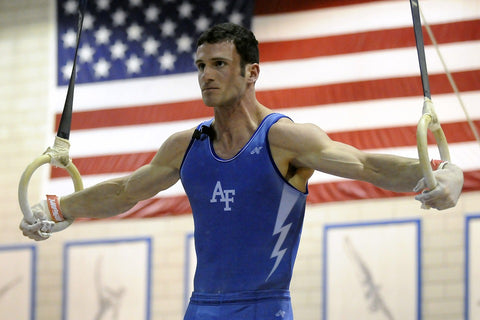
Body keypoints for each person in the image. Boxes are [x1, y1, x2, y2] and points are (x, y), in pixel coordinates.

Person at [20, 23, 463, 319]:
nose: (205, 76)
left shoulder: (285, 139)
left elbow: (366, 164)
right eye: (200, 66)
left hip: (264, 307)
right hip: (202, 307)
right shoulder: (185, 146)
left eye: (218, 64)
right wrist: (57, 207)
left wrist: (441, 171)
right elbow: (126, 190)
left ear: (252, 72)